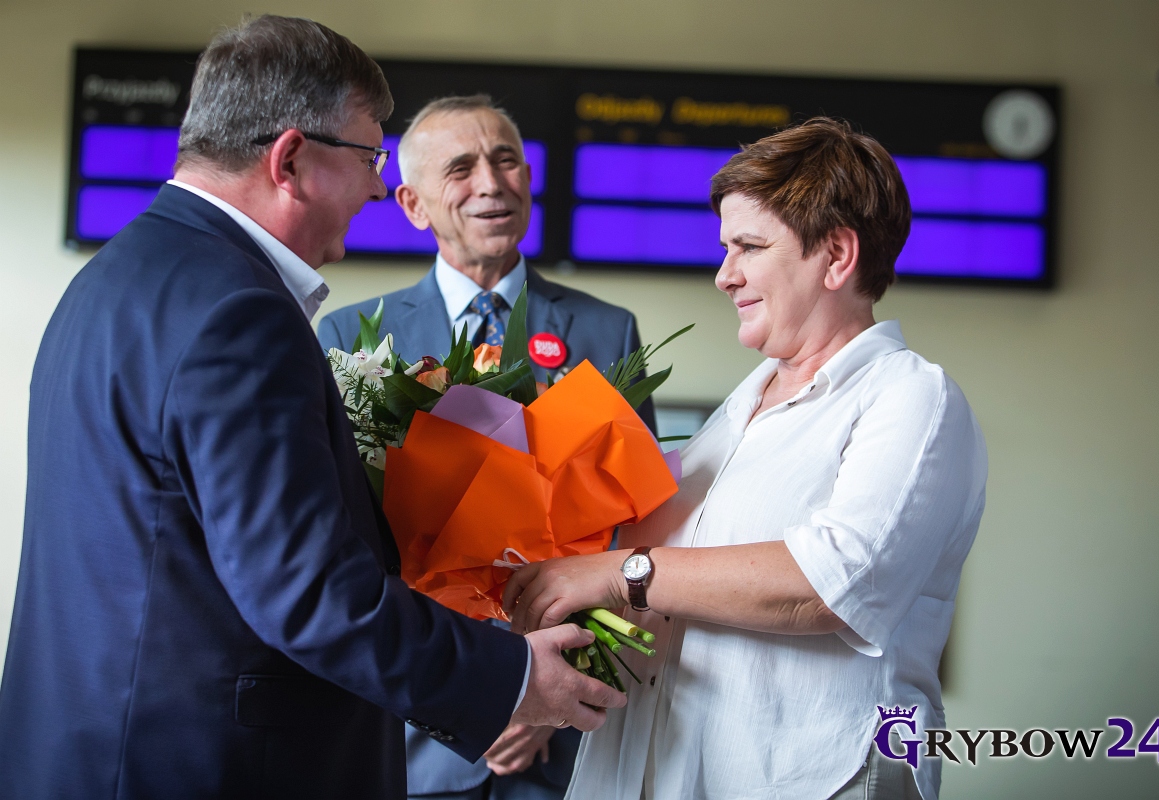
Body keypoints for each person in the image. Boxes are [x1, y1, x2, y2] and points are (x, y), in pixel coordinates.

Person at [0, 17, 623, 799]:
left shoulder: (115, 278)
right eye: (367, 158)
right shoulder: (240, 312)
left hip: (92, 746)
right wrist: (510, 677)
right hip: (201, 764)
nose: (375, 188)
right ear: (291, 160)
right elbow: (307, 589)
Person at [502, 117, 988, 800]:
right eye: (725, 248)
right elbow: (664, 606)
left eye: (749, 247)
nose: (724, 276)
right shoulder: (730, 420)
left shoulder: (911, 397)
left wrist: (618, 571)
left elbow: (832, 583)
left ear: (836, 256)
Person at [318, 94, 653, 800]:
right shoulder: (350, 340)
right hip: (414, 733)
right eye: (461, 168)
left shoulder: (608, 332)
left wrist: (552, 688)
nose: (492, 184)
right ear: (412, 204)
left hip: (565, 736)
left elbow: (641, 530)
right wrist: (474, 693)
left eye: (507, 162)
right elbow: (343, 544)